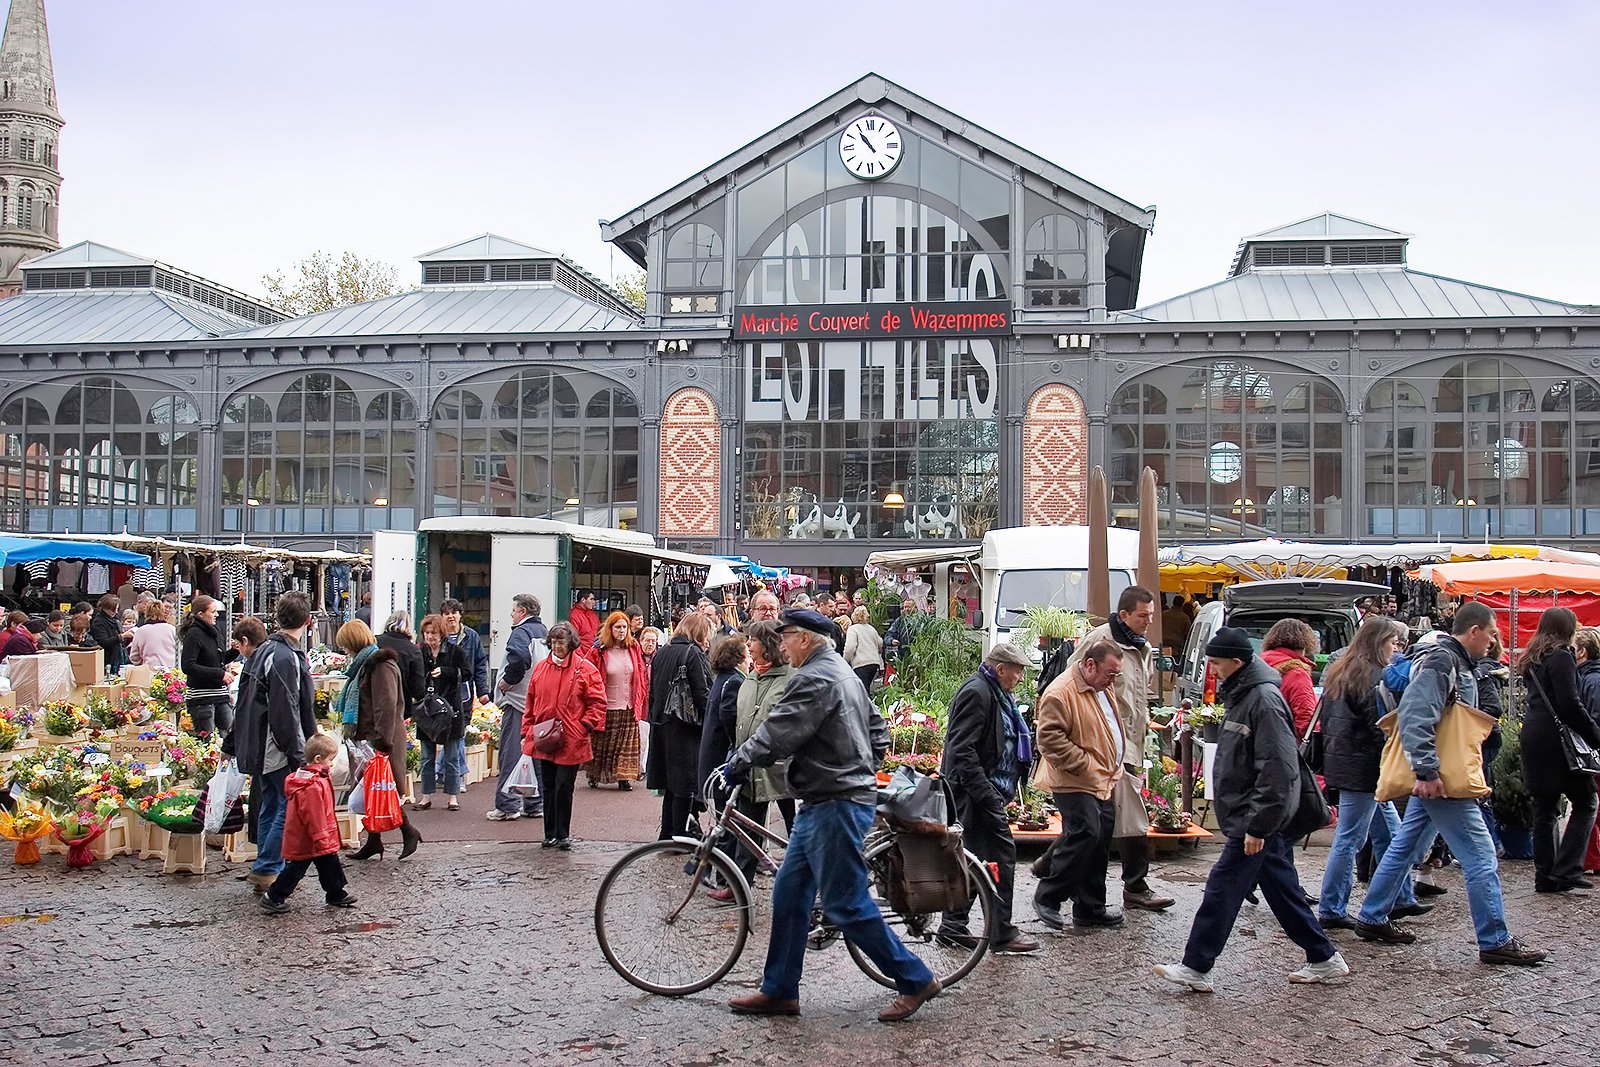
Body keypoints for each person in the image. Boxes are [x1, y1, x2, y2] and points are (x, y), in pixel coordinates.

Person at [720, 609, 939, 1023]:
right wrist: (863, 766)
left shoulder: (814, 677)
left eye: (786, 637)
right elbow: (878, 728)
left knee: (844, 902)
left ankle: (914, 977)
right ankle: (780, 989)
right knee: (789, 893)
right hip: (828, 798)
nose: (781, 645)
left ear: (804, 639)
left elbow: (778, 732)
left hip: (834, 801)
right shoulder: (839, 669)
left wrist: (738, 761)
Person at [1153, 627, 1347, 993]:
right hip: (1254, 815)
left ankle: (1196, 966)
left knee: (1222, 888)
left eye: (1216, 661)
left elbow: (1277, 769)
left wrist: (1258, 825)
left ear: (1236, 662)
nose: (1212, 668)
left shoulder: (1262, 700)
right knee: (1281, 890)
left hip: (1254, 818)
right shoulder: (1247, 694)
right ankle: (1324, 957)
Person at [1354, 603, 1546, 965]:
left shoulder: (1449, 661)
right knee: (1481, 856)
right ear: (1474, 630)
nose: (1493, 642)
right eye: (1491, 634)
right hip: (1441, 779)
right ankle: (1494, 939)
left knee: (1404, 845)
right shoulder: (1445, 661)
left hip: (1437, 775)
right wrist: (1426, 771)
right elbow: (1415, 713)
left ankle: (1373, 915)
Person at [1041, 586, 1175, 912]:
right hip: (1104, 746)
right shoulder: (1102, 642)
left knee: (1104, 823)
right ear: (1125, 614)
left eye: (1152, 615)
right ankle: (1132, 887)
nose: (1148, 621)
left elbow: (1139, 695)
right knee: (1124, 819)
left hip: (1128, 742)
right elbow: (1075, 681)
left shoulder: (1141, 647)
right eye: (1143, 616)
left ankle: (1056, 868)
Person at [1317, 617, 1425, 927]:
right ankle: (1332, 909)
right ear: (1379, 643)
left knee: (1390, 833)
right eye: (1393, 643)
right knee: (1350, 838)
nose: (1396, 649)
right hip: (1363, 769)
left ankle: (1400, 896)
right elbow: (1378, 725)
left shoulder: (1341, 672)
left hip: (1350, 763)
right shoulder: (1371, 676)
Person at [937, 642, 1039, 954]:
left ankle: (952, 927)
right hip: (975, 793)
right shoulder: (978, 692)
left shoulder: (995, 692)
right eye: (1018, 671)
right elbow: (961, 750)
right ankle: (1001, 932)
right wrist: (988, 796)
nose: (1021, 677)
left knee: (973, 858)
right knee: (1000, 857)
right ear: (1000, 669)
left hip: (983, 791)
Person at [1032, 639, 1130, 932]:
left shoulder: (1101, 685)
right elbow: (1049, 740)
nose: (1113, 680)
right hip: (1074, 779)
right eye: (1110, 673)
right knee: (1085, 832)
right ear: (1090, 665)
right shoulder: (1061, 693)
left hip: (1103, 777)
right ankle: (1048, 896)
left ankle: (1089, 907)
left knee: (1099, 839)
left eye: (1116, 675)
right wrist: (1086, 764)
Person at [234, 591, 318, 893]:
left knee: (271, 803)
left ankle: (267, 865)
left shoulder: (264, 651)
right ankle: (267, 866)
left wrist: (233, 743)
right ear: (308, 621)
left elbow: (242, 701)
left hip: (259, 743)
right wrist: (300, 754)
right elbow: (287, 710)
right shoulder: (286, 657)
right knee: (285, 805)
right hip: (276, 746)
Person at [1517, 606, 1600, 893]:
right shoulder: (1562, 656)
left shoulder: (1533, 658)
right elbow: (1571, 705)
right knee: (1587, 800)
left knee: (1545, 808)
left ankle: (1546, 875)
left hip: (1533, 733)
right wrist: (1595, 735)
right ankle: (1567, 869)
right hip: (1557, 740)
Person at [340, 619, 421, 861]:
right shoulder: (367, 664)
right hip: (371, 737)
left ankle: (408, 832)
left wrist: (382, 744)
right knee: (374, 790)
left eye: (345, 645)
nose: (344, 650)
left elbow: (386, 705)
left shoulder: (380, 665)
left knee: (384, 788)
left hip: (379, 738)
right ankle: (374, 840)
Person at [522, 621, 606, 849]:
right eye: (554, 642)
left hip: (571, 738)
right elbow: (530, 702)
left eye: (562, 642)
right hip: (544, 736)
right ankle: (549, 833)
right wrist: (526, 730)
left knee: (563, 786)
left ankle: (563, 833)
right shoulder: (540, 669)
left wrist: (585, 725)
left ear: (571, 643)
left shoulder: (585, 669)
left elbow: (597, 702)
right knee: (548, 786)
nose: (557, 646)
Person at [725, 620, 796, 887]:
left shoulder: (790, 677)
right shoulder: (751, 676)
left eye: (753, 640)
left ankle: (807, 883)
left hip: (783, 769)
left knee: (797, 828)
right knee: (747, 829)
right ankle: (740, 886)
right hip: (750, 765)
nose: (748, 646)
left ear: (767, 646)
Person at [259, 732, 357, 914]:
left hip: (311, 834)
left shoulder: (311, 778)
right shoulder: (312, 784)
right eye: (330, 760)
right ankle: (274, 896)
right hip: (310, 836)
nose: (332, 763)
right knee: (297, 869)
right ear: (319, 759)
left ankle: (336, 892)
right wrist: (321, 835)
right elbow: (314, 814)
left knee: (328, 862)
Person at [646, 611, 712, 840]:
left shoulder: (662, 653)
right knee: (684, 784)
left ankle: (666, 832)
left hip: (661, 724)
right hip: (685, 726)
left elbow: (652, 691)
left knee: (670, 784)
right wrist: (710, 724)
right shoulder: (693, 653)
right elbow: (702, 693)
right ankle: (681, 834)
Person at [490, 593, 547, 821]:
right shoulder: (543, 631)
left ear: (522, 612)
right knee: (535, 755)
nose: (511, 614)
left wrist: (507, 681)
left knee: (511, 754)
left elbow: (519, 657)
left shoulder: (520, 632)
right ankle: (534, 803)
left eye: (513, 610)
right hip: (538, 703)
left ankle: (507, 804)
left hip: (518, 702)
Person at [584, 611, 647, 790]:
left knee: (625, 744)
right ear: (610, 629)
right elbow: (589, 674)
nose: (621, 630)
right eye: (617, 627)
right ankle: (595, 775)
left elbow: (640, 673)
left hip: (629, 704)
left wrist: (640, 697)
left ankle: (623, 778)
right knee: (604, 743)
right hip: (607, 705)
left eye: (624, 627)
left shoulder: (633, 647)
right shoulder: (599, 650)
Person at [697, 633, 749, 853]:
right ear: (737, 659)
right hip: (721, 756)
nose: (750, 661)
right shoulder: (735, 681)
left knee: (722, 817)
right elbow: (729, 716)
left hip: (711, 753)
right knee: (726, 822)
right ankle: (718, 869)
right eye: (747, 657)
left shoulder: (722, 679)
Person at [415, 613, 470, 811]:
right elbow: (413, 677)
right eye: (426, 633)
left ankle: (452, 797)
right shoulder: (420, 653)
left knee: (452, 755)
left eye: (434, 633)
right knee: (426, 755)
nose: (430, 637)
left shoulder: (455, 652)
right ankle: (426, 796)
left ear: (442, 633)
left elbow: (467, 672)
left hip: (451, 709)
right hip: (427, 710)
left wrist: (446, 671)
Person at [440, 599, 487, 799]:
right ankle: (447, 772)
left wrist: (483, 690)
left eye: (454, 612)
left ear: (460, 615)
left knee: (457, 734)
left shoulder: (471, 636)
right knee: (448, 734)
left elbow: (480, 664)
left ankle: (455, 774)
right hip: (441, 694)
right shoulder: (437, 636)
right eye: (447, 613)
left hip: (464, 694)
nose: (451, 616)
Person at [180, 595, 236, 738]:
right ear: (201, 614)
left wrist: (235, 651)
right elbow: (188, 666)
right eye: (212, 612)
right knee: (206, 739)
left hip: (220, 695)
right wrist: (220, 674)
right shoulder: (193, 634)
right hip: (202, 699)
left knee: (230, 737)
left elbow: (218, 660)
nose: (217, 615)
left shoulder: (214, 632)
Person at [1261, 618, 1320, 738]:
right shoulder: (1297, 673)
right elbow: (1306, 717)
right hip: (1286, 742)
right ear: (1305, 644)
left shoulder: (1260, 663)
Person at [375, 611, 426, 719]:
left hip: (374, 702)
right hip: (400, 708)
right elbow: (418, 689)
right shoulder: (413, 651)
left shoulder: (375, 641)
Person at [128, 599, 178, 669]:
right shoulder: (172, 629)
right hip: (171, 671)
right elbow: (179, 651)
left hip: (149, 671)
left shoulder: (140, 631)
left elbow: (134, 657)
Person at [843, 607, 883, 692]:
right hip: (874, 663)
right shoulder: (871, 629)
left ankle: (865, 705)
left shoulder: (853, 629)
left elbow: (850, 647)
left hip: (861, 663)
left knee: (862, 690)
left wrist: (845, 661)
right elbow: (880, 643)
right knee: (867, 687)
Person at [90, 594, 127, 675]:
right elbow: (103, 642)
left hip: (117, 656)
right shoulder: (98, 622)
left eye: (117, 609)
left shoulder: (114, 620)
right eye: (113, 610)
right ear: (106, 608)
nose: (116, 612)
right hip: (107, 659)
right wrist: (121, 636)